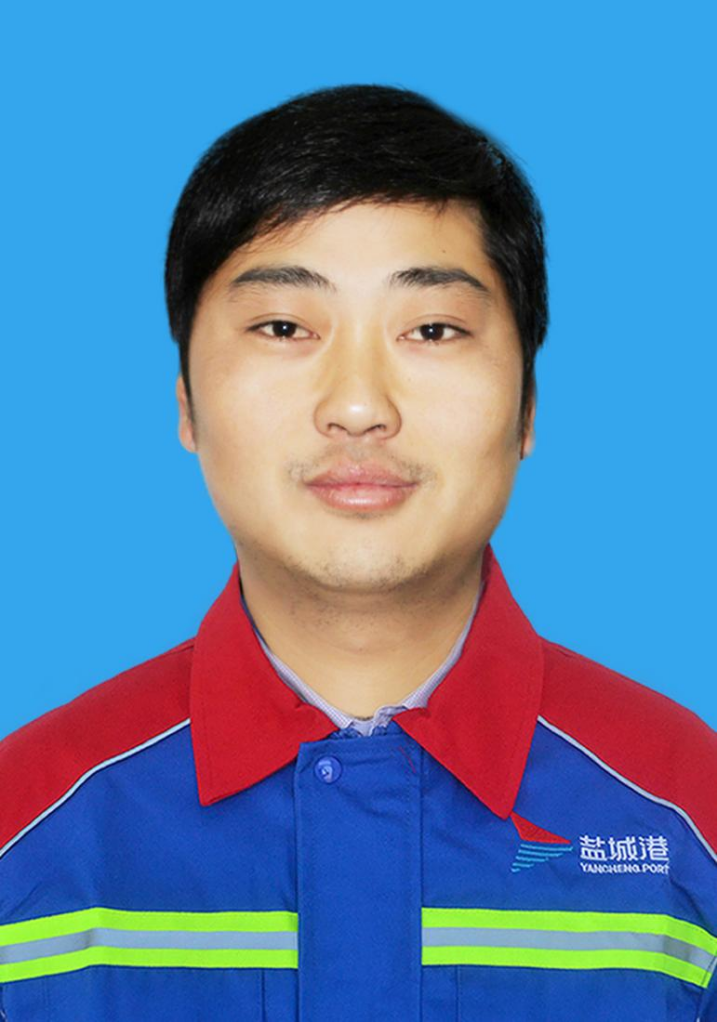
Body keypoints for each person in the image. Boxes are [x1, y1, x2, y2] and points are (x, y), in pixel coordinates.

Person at [0, 84, 715, 1022]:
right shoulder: (26, 821)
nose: (357, 406)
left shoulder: (689, 811)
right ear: (185, 402)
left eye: (432, 329)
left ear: (527, 407)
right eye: (284, 328)